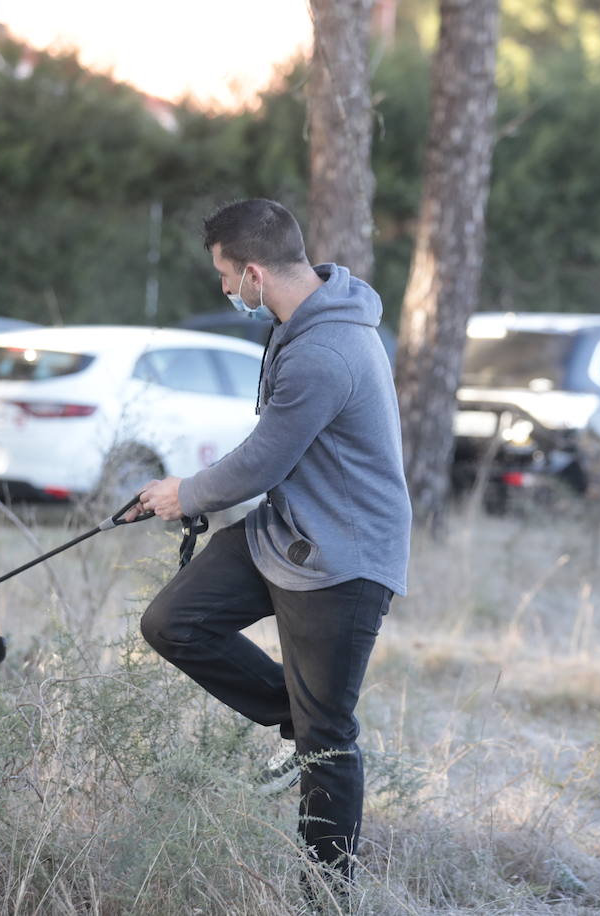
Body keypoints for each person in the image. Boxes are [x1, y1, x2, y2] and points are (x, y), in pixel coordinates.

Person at [135, 198, 411, 884]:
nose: (224, 289)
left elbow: (262, 462)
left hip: (344, 558)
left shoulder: (327, 349)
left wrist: (185, 494)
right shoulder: (305, 319)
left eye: (225, 276)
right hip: (289, 531)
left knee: (330, 742)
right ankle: (297, 718)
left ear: (254, 272)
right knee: (174, 622)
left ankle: (325, 892)